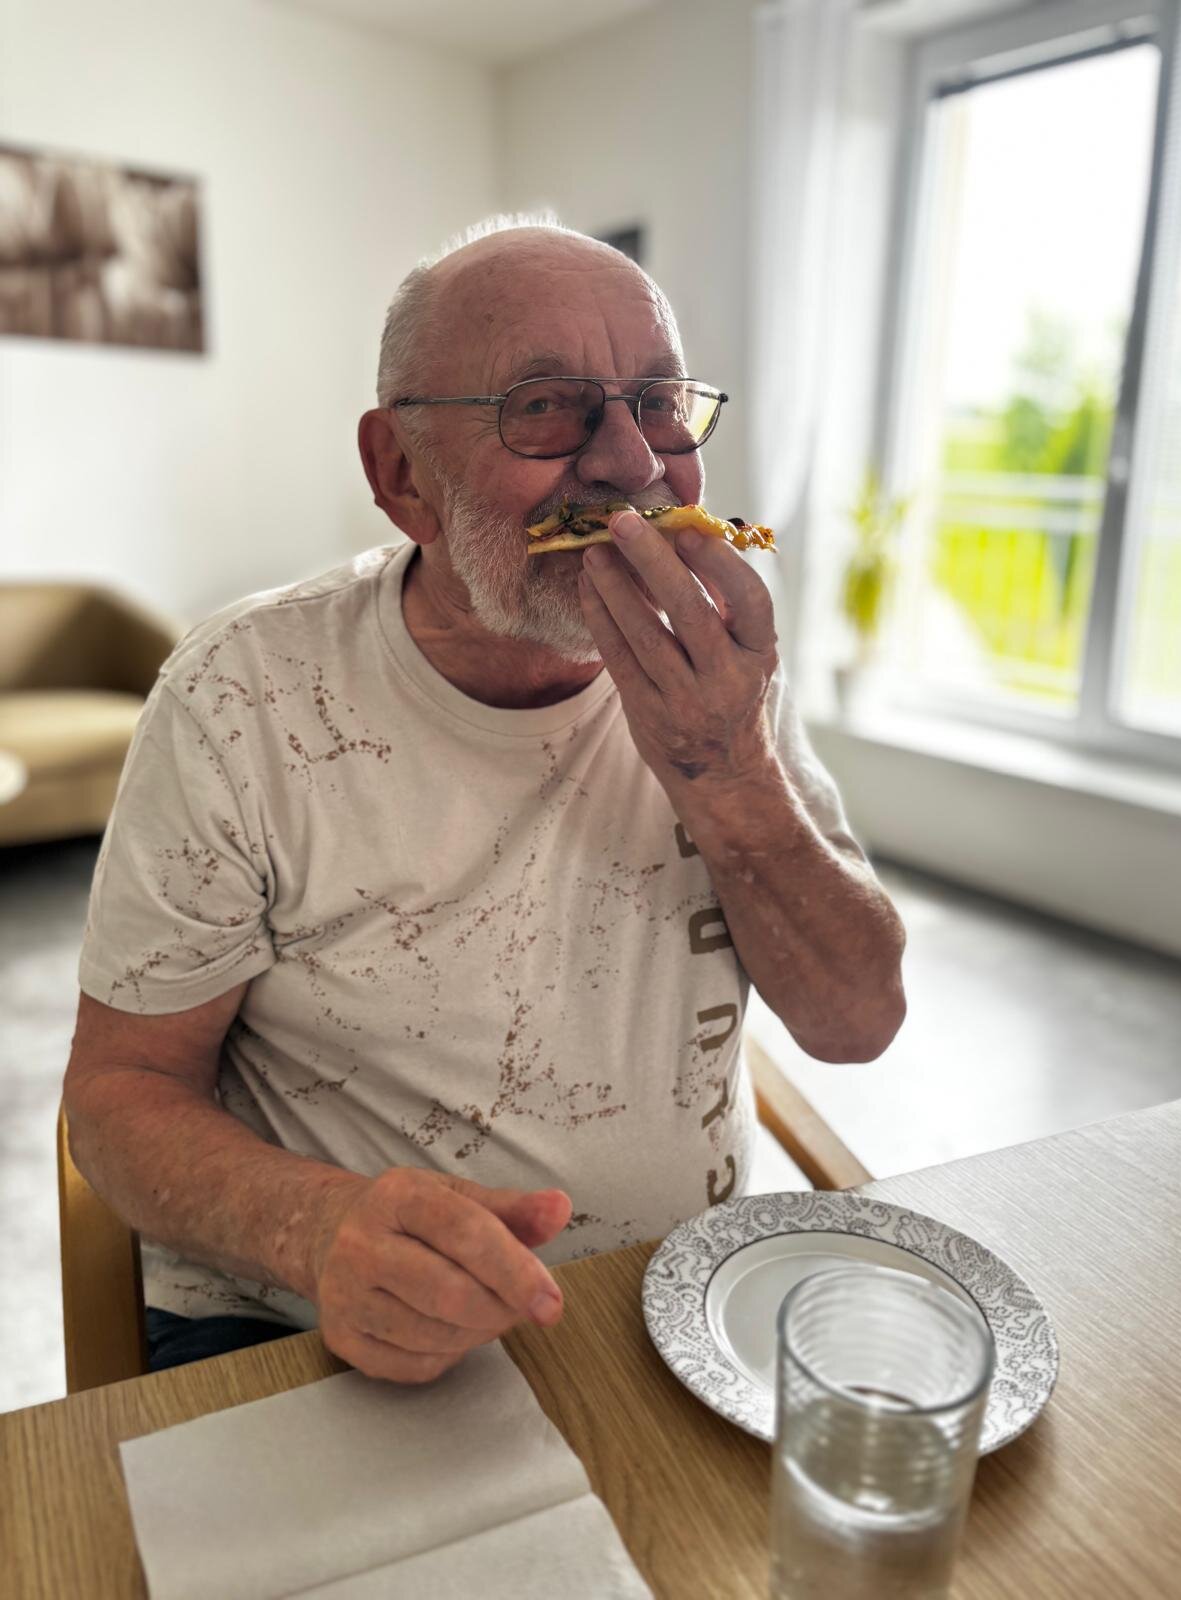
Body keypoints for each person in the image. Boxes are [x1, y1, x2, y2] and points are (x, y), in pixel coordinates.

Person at [64, 217, 906, 1379]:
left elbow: (857, 1022)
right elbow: (120, 1094)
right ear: (401, 474)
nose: (632, 464)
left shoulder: (716, 673)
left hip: (682, 1301)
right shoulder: (240, 698)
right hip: (306, 1321)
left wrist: (730, 771)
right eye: (546, 407)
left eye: (659, 403)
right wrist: (313, 1229)